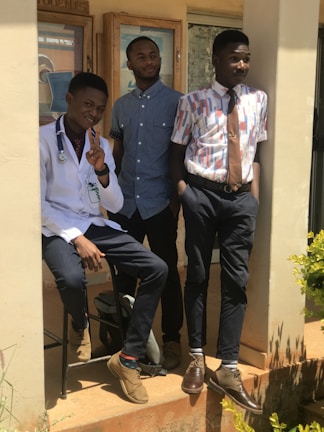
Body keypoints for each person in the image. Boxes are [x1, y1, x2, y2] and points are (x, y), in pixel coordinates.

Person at [40, 72, 168, 404]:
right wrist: (76, 239)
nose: (94, 113)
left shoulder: (101, 145)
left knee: (157, 268)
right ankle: (80, 324)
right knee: (70, 277)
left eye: (100, 107)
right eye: (87, 104)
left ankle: (127, 359)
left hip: (94, 223)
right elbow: (36, 202)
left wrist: (101, 170)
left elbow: (116, 204)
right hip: (55, 225)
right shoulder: (41, 140)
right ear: (68, 100)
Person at [170, 30, 267, 414]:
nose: (241, 65)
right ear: (215, 60)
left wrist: (253, 199)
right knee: (196, 274)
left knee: (236, 281)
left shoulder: (259, 100)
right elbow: (175, 151)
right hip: (201, 195)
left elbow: (256, 148)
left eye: (245, 58)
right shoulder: (192, 102)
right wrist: (184, 192)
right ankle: (196, 355)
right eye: (233, 58)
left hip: (240, 199)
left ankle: (227, 367)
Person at [108, 36, 184, 370]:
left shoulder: (178, 103)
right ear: (130, 64)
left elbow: (182, 156)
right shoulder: (120, 106)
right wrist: (110, 198)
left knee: (166, 272)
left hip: (160, 204)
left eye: (154, 55)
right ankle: (123, 338)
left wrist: (176, 202)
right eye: (141, 56)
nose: (149, 61)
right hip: (125, 204)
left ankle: (171, 339)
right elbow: (117, 155)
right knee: (123, 272)